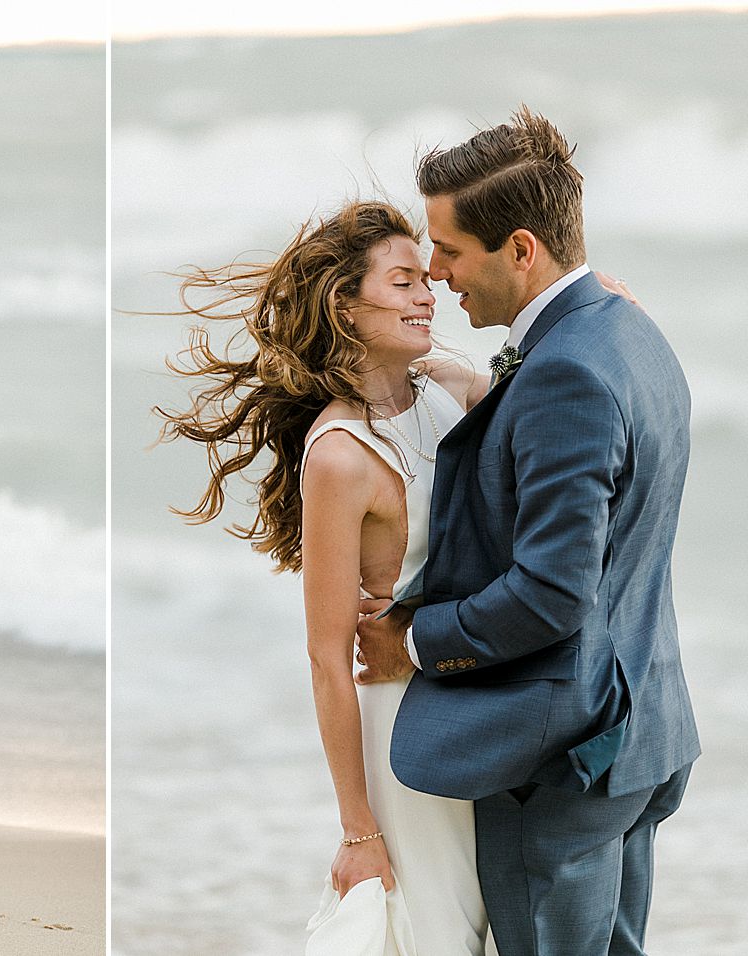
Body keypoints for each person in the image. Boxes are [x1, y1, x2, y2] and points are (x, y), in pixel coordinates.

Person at [356, 107, 699, 956]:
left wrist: (418, 643)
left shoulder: (566, 374)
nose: (435, 274)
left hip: (565, 762)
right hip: (639, 730)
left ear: (520, 249)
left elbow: (551, 592)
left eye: (450, 251)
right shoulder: (626, 330)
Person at [159, 200, 492, 952]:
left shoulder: (439, 389)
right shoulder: (340, 454)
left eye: (424, 281)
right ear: (346, 305)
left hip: (468, 706)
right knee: (432, 930)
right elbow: (324, 656)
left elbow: (531, 391)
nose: (427, 294)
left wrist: (598, 302)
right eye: (402, 283)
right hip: (403, 727)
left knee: (473, 928)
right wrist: (358, 827)